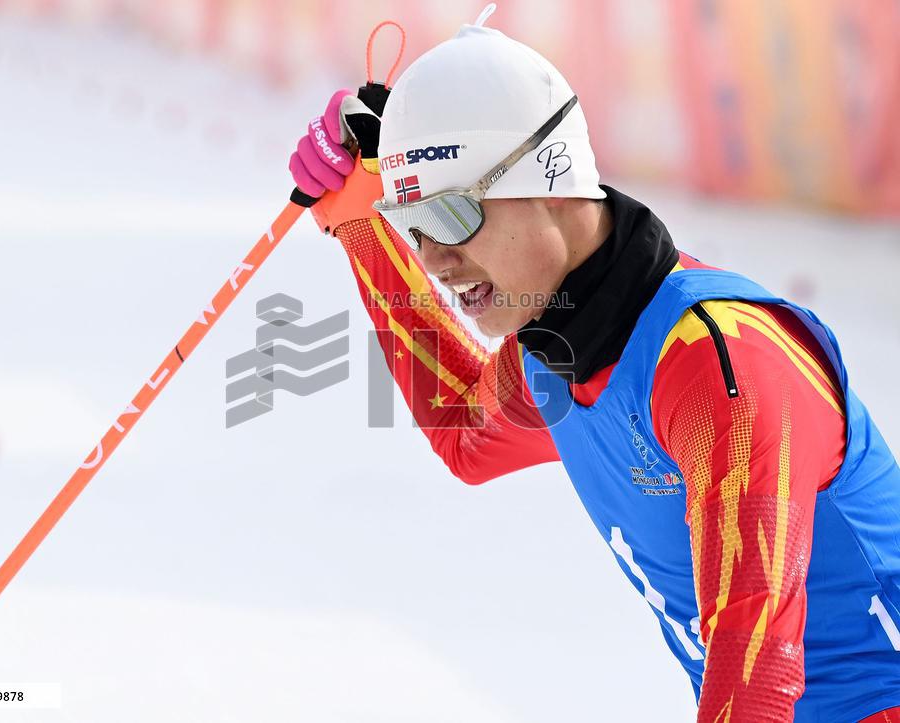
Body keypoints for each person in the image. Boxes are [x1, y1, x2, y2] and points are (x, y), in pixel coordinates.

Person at [288, 8, 900, 722]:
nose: (435, 260)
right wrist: (360, 222)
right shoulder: (553, 350)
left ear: (551, 179)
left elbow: (756, 674)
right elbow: (463, 426)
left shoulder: (720, 365)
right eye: (413, 226)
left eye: (453, 216)